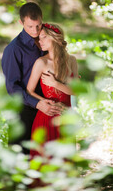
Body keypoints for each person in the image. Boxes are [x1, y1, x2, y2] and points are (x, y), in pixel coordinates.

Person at [1, 3, 62, 154]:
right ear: (21, 23)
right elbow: (12, 87)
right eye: (30, 26)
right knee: (22, 155)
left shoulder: (46, 39)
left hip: (48, 107)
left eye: (38, 25)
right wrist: (37, 103)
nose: (35, 31)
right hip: (24, 109)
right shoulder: (14, 49)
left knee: (43, 155)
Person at [27, 23, 79, 157]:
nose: (40, 41)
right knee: (46, 161)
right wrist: (44, 102)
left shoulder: (71, 60)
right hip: (47, 117)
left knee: (65, 161)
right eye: (39, 38)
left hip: (66, 117)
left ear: (55, 38)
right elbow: (29, 91)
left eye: (43, 37)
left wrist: (55, 84)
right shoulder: (41, 62)